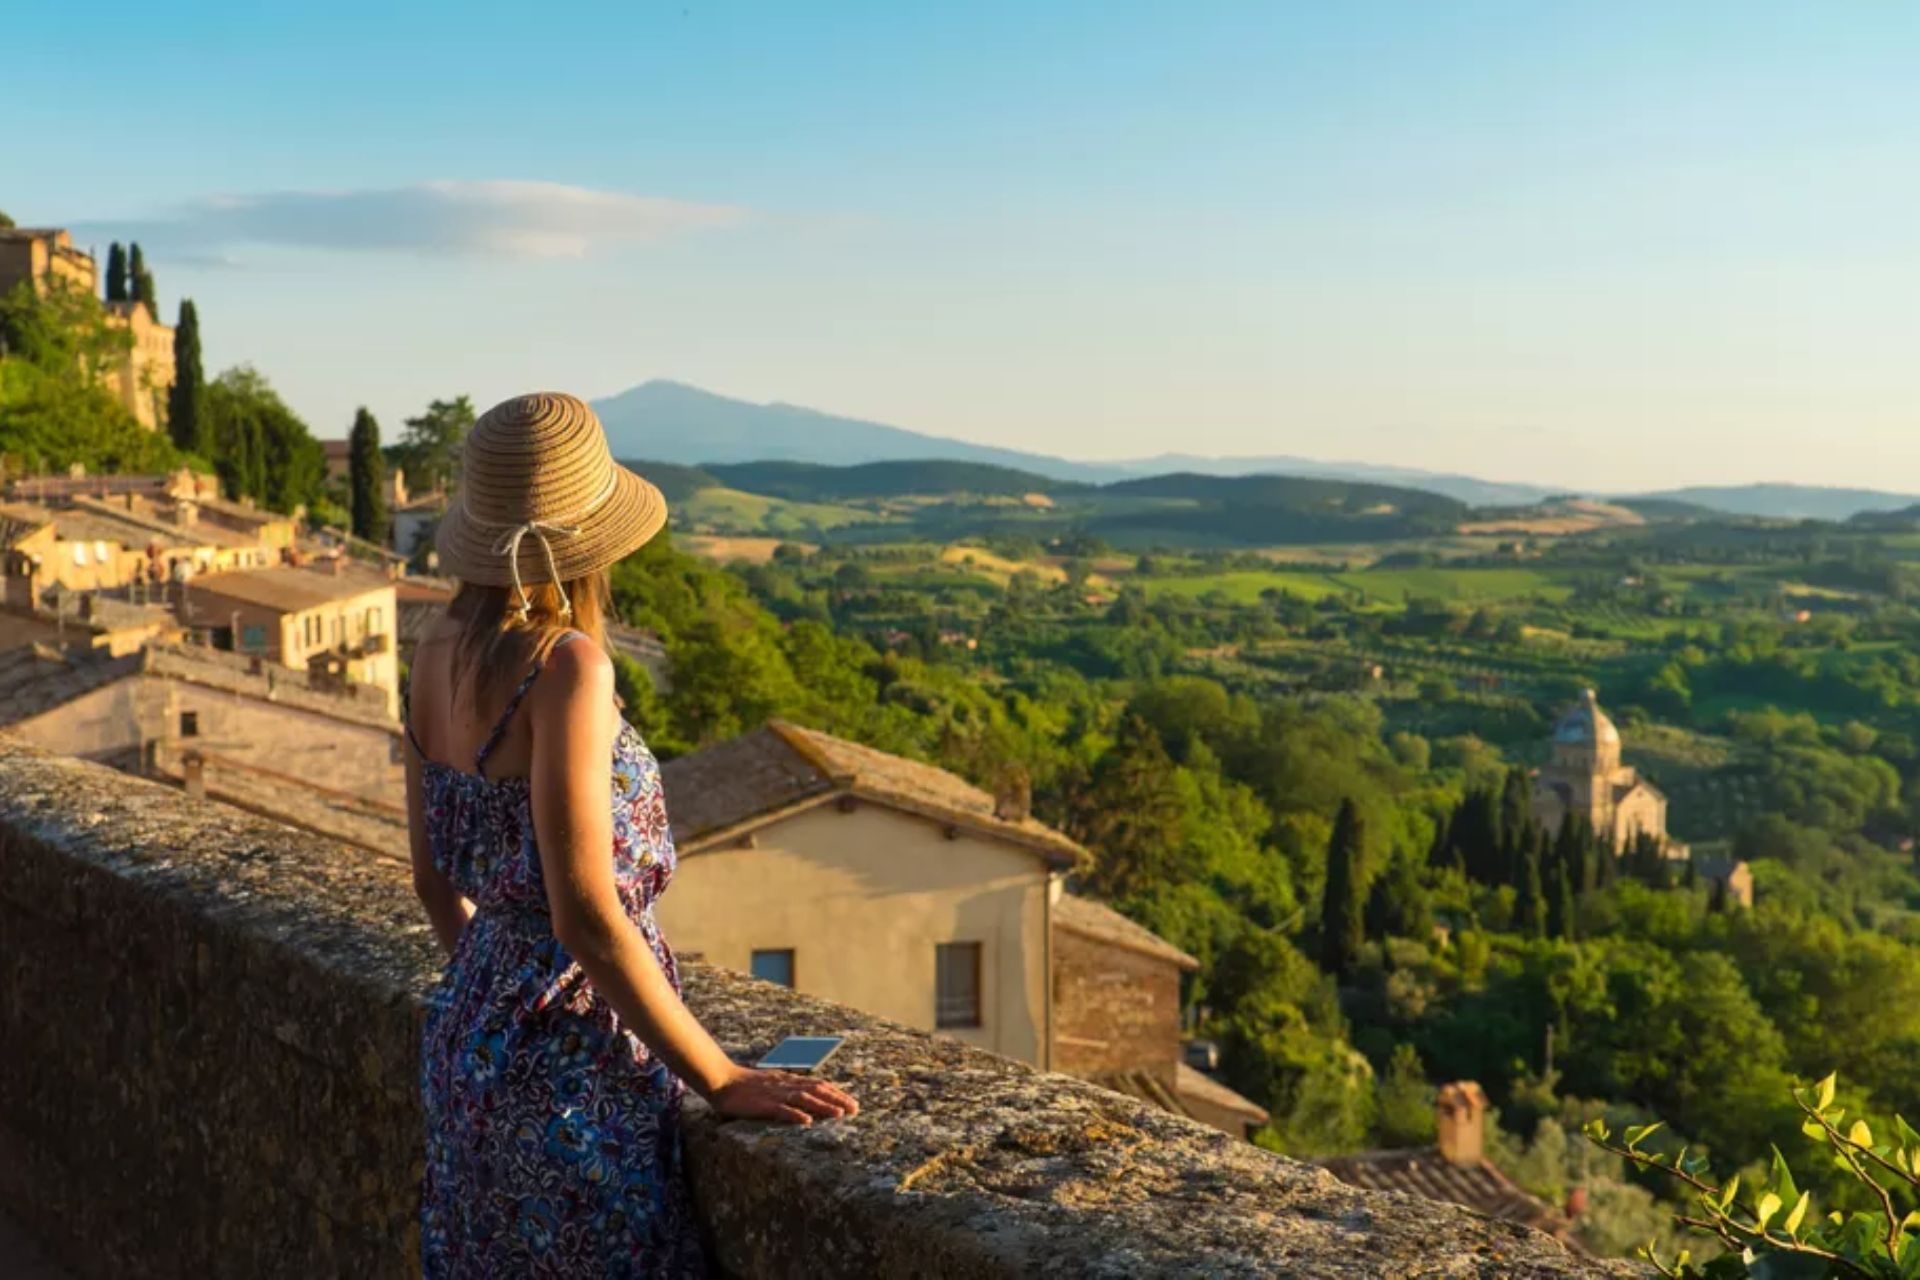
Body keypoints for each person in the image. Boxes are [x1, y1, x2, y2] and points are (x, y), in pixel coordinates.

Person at [405, 393, 856, 1277]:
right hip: (575, 1073)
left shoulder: (431, 648)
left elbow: (432, 881)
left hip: (466, 1046)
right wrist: (719, 1077)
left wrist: (498, 993)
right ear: (589, 542)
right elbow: (587, 918)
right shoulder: (565, 665)